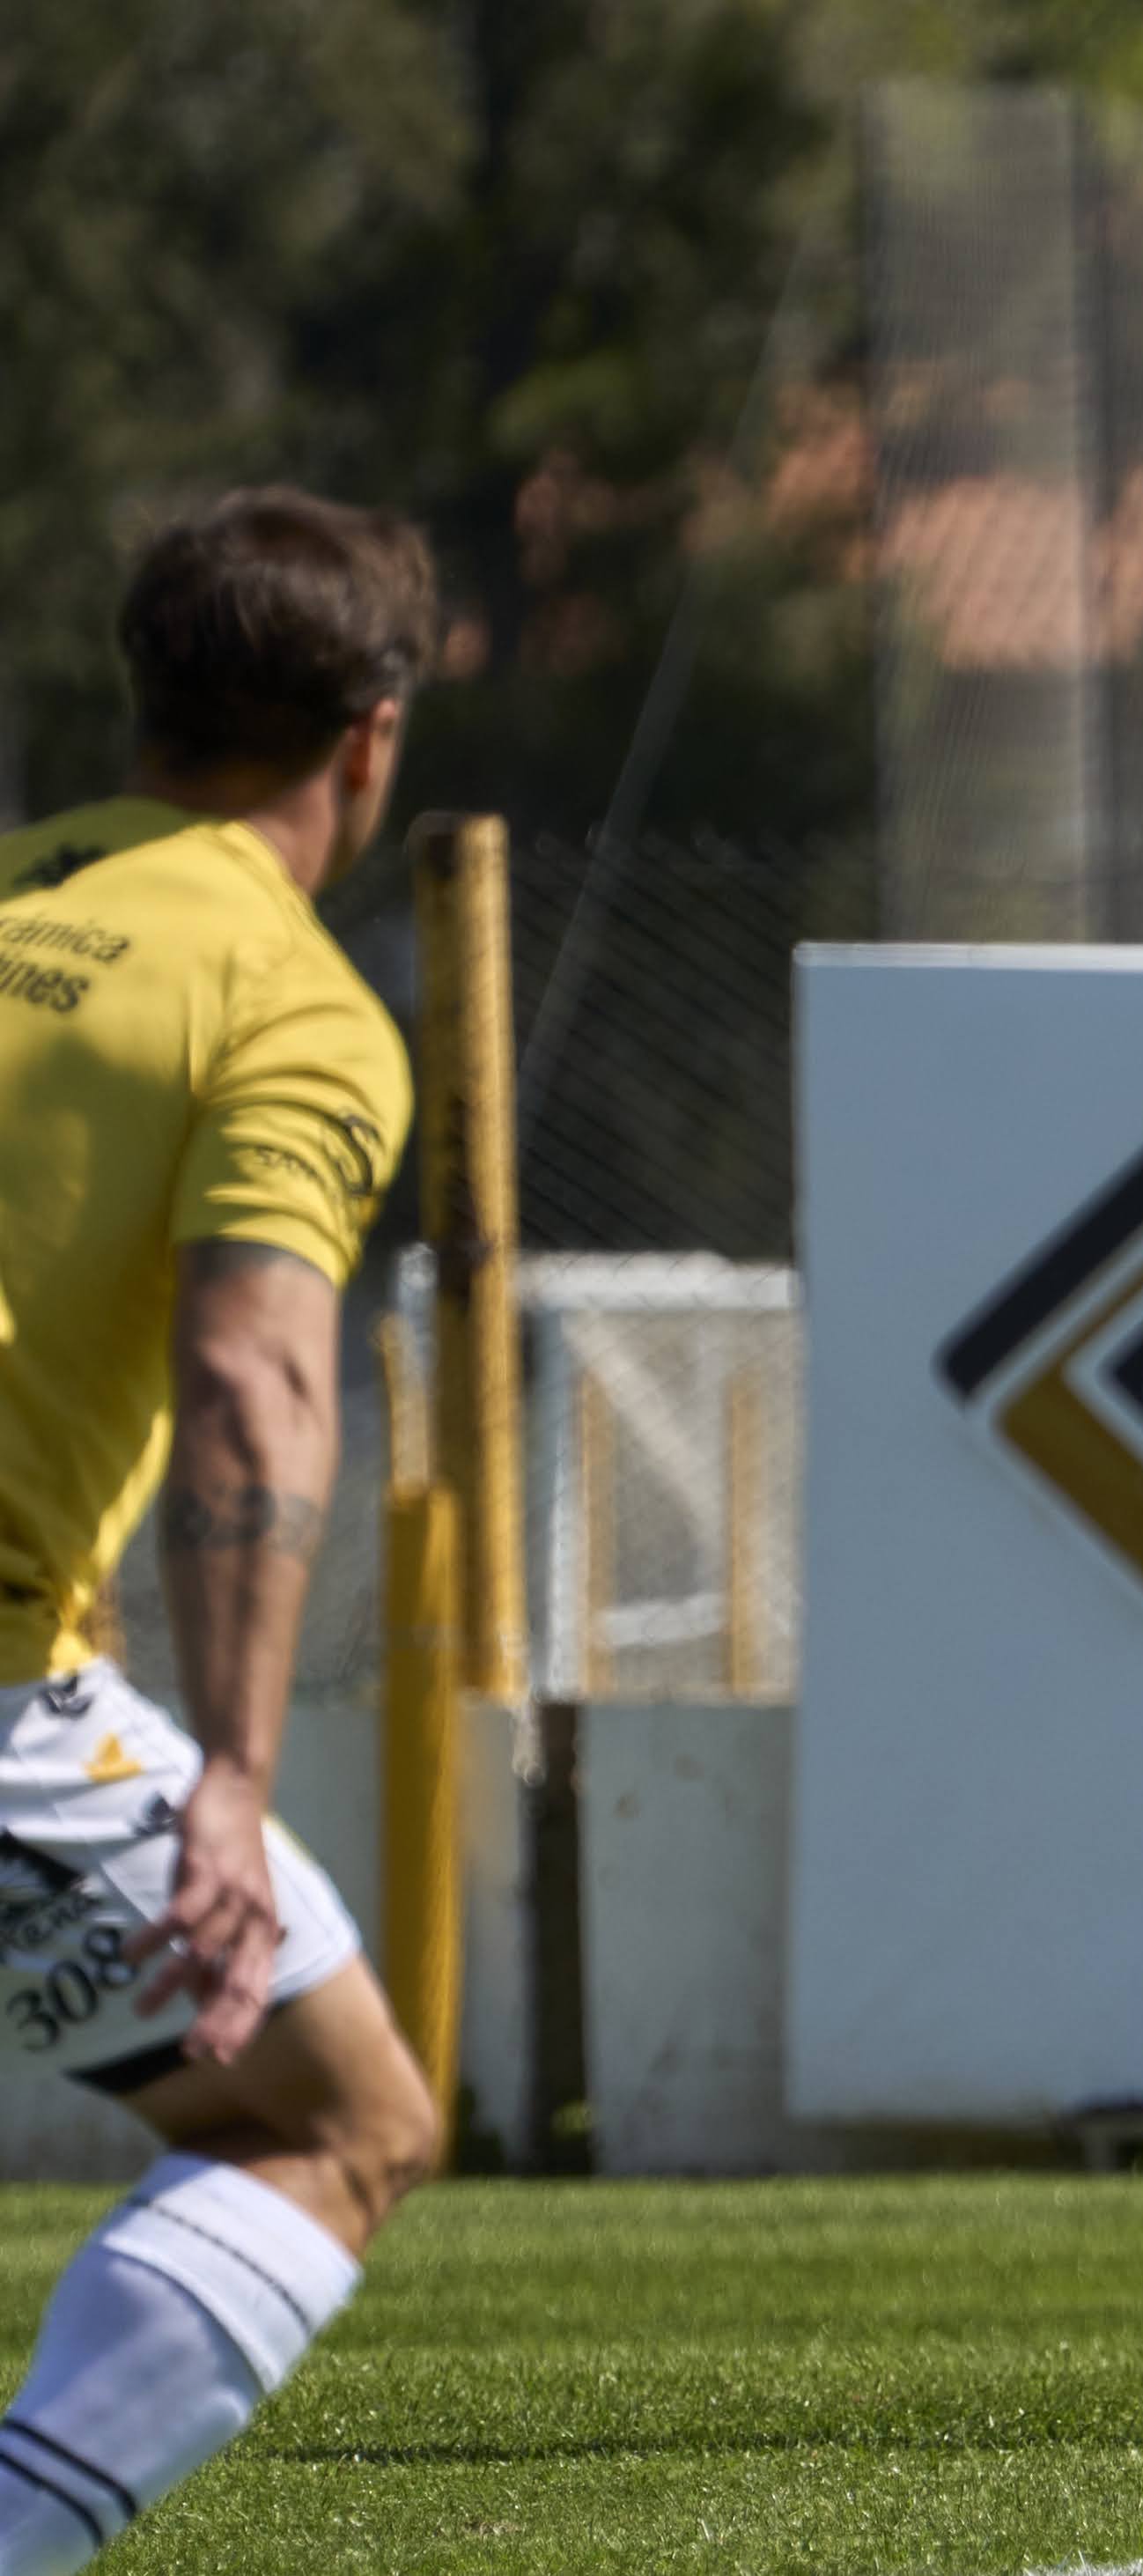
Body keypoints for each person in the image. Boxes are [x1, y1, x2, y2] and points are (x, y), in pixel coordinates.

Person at [0, 489, 442, 2568]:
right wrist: (235, 1779)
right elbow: (256, 1375)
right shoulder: (288, 998)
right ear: (371, 734)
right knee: (344, 2115)